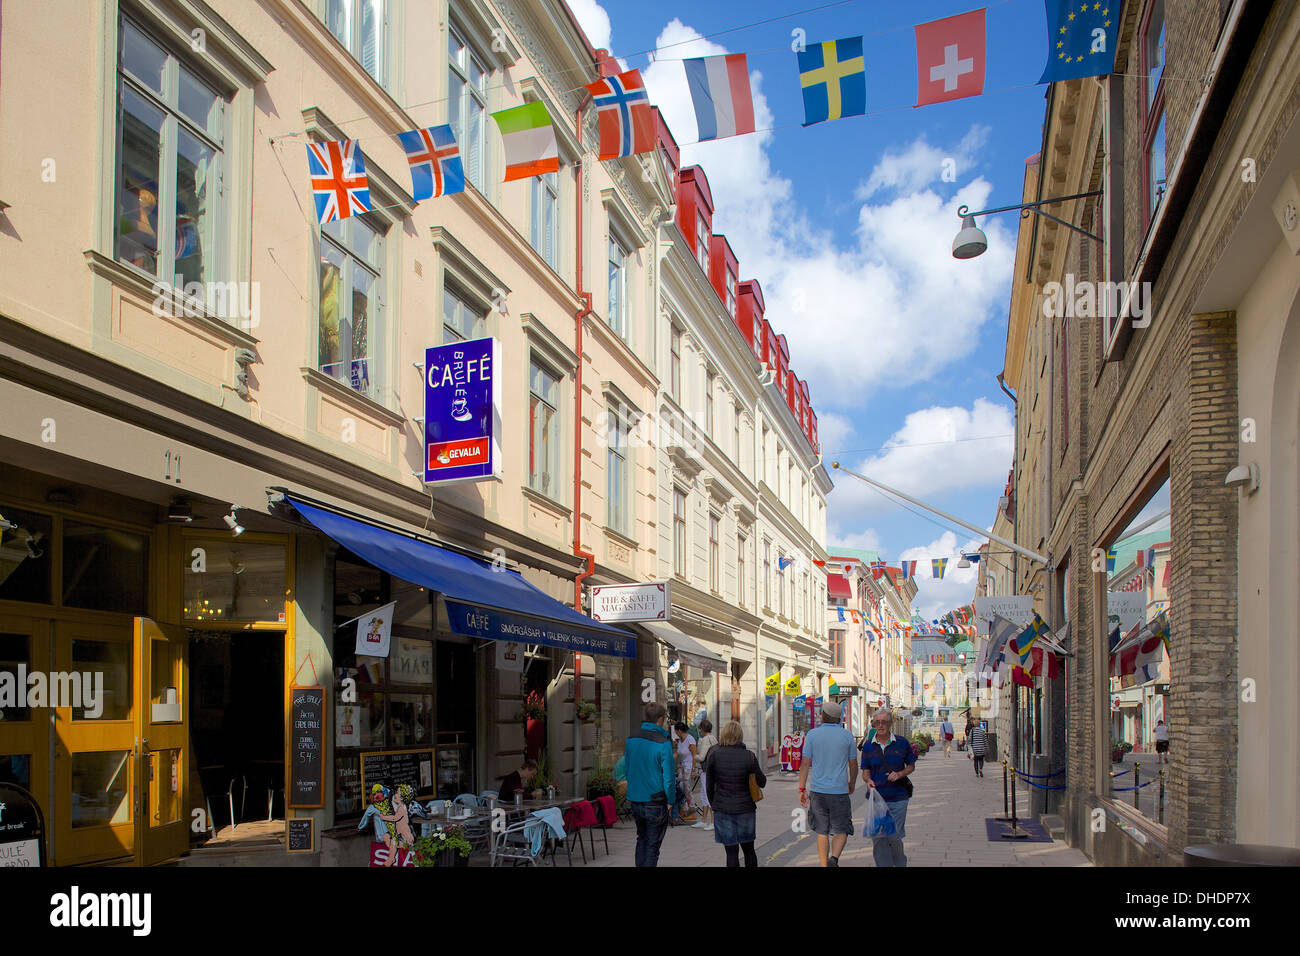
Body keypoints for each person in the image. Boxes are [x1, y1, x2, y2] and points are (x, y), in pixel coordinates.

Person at [798, 700, 858, 867]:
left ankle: (825, 865)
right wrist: (852, 783)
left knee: (821, 831)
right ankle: (835, 859)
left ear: (823, 716)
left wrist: (802, 788)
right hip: (839, 790)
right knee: (841, 828)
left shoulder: (812, 734)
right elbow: (853, 764)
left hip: (818, 791)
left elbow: (804, 763)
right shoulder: (847, 735)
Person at [703, 720, 766, 866]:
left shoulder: (715, 755)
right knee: (749, 849)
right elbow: (762, 782)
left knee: (731, 852)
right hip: (745, 809)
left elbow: (709, 785)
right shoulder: (749, 756)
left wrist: (714, 804)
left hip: (723, 808)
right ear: (740, 736)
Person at [860, 708, 916, 867]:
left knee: (893, 836)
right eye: (877, 722)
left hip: (898, 798)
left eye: (884, 722)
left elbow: (911, 766)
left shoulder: (902, 743)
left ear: (890, 723)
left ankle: (899, 863)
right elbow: (865, 772)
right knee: (878, 838)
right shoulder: (868, 747)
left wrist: (899, 774)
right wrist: (868, 780)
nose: (880, 725)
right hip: (877, 800)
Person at [623, 702, 676, 867]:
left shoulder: (631, 739)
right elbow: (668, 778)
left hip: (636, 798)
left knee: (642, 840)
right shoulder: (663, 743)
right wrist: (670, 801)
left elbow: (627, 768)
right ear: (660, 719)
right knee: (652, 846)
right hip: (655, 799)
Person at [672, 722, 698, 823]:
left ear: (679, 730)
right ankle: (684, 807)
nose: (674, 732)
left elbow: (694, 755)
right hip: (682, 767)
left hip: (689, 767)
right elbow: (677, 753)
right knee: (679, 787)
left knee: (686, 787)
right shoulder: (680, 741)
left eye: (675, 730)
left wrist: (693, 770)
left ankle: (691, 806)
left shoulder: (690, 739)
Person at [693, 719, 717, 830]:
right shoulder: (713, 738)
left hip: (706, 770)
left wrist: (694, 755)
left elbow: (701, 757)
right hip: (712, 770)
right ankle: (704, 820)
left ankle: (712, 821)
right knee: (704, 793)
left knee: (707, 794)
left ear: (702, 729)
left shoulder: (706, 740)